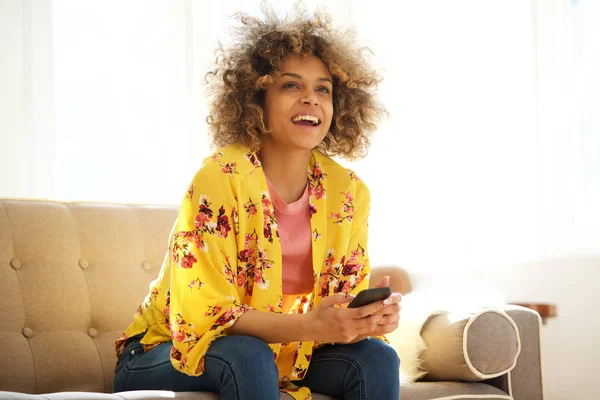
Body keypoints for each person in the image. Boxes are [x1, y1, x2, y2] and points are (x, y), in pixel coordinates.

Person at [113, 6, 402, 400]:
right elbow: (206, 317)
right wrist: (313, 327)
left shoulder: (348, 192)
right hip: (169, 350)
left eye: (323, 89)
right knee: (247, 356)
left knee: (376, 358)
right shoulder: (218, 179)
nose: (311, 99)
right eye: (290, 86)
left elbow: (338, 304)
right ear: (256, 98)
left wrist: (362, 318)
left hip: (285, 353)